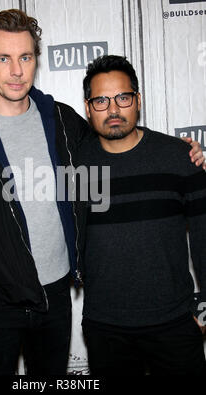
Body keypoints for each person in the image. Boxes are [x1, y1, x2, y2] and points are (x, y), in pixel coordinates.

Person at [0, 10, 204, 376]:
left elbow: (117, 139)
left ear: (36, 60)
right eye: (3, 58)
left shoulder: (63, 122)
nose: (16, 70)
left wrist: (186, 153)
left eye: (25, 57)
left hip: (55, 300)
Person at [78, 55, 206, 376]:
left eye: (122, 97)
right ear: (88, 107)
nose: (113, 109)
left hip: (175, 326)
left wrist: (204, 311)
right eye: (101, 100)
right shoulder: (76, 168)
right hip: (105, 329)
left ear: (137, 100)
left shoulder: (179, 157)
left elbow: (205, 237)